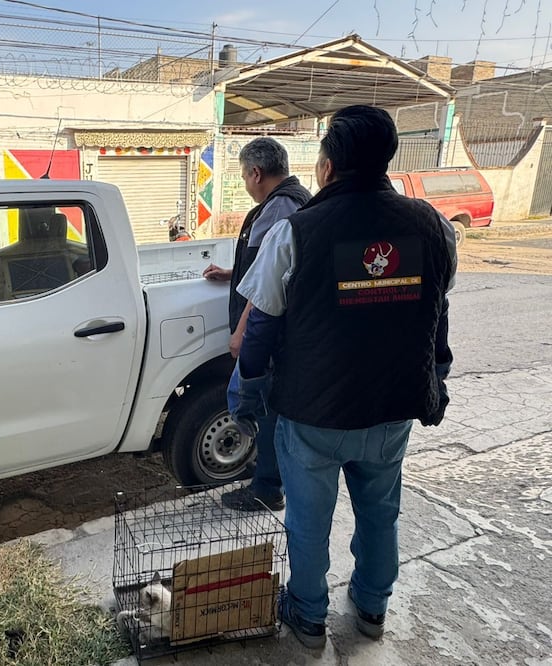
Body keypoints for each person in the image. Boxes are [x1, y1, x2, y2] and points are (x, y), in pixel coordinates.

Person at [227, 105, 456, 649]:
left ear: (327, 166)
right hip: (391, 408)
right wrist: (436, 379)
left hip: (313, 414)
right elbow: (437, 312)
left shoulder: (294, 232)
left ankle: (308, 616)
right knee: (381, 512)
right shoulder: (433, 226)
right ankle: (373, 608)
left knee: (309, 521)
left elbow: (258, 330)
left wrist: (246, 392)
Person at [202, 137, 311, 512]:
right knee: (264, 406)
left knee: (262, 408)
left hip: (270, 332)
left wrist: (242, 332)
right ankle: (269, 479)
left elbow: (271, 282)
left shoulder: (280, 207)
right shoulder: (293, 198)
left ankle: (266, 488)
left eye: (244, 176)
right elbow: (271, 265)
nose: (245, 183)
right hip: (281, 328)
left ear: (256, 173)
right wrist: (232, 274)